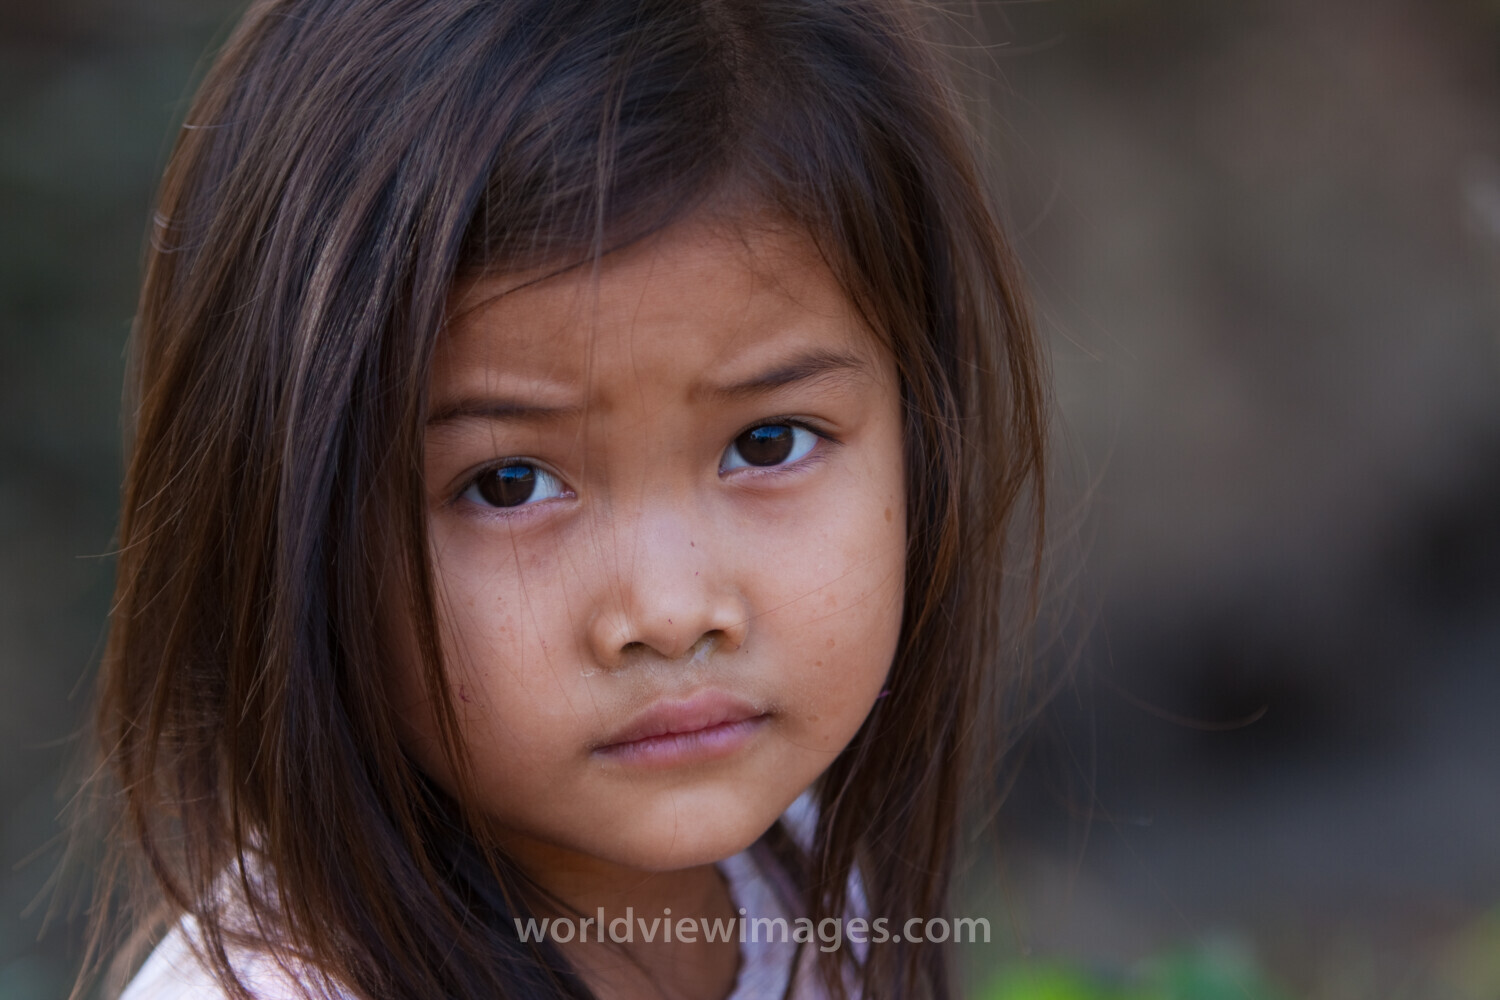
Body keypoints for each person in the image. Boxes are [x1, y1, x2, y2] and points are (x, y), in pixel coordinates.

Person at [79, 1, 1049, 997]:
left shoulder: (803, 881)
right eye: (510, 483)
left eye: (768, 443)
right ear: (293, 519)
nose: (671, 614)